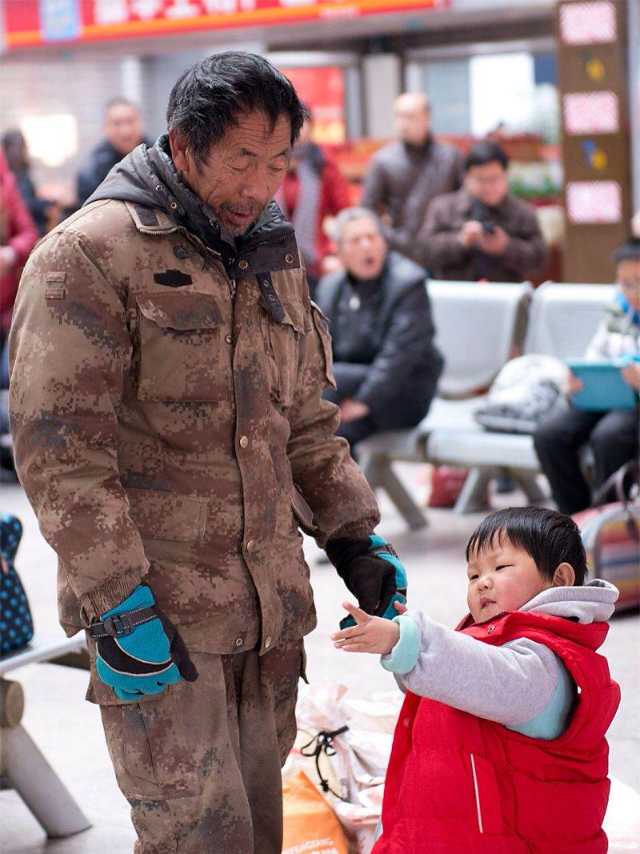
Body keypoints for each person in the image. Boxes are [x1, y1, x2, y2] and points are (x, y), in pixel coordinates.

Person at [9, 52, 410, 854]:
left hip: (268, 610)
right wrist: (116, 599)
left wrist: (353, 534)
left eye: (278, 163)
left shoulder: (268, 252)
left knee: (261, 831)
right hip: (157, 618)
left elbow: (303, 419)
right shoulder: (88, 256)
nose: (260, 185)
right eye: (241, 159)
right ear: (184, 146)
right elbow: (61, 452)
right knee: (195, 836)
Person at [332, 506, 620, 852]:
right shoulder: (488, 642)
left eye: (501, 567)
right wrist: (401, 646)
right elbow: (448, 685)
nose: (483, 581)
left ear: (559, 579)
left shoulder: (545, 663)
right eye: (473, 575)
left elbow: (486, 677)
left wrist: (407, 641)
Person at [315, 207, 443, 455]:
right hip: (349, 388)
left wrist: (364, 402)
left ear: (384, 243)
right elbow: (320, 352)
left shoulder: (408, 283)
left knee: (333, 385)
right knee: (322, 435)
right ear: (340, 252)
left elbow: (400, 357)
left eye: (372, 237)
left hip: (405, 390)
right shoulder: (331, 288)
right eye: (355, 240)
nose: (366, 246)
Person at [534, 238, 640, 515]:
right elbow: (596, 355)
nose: (630, 291)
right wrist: (577, 382)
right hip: (604, 397)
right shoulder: (619, 310)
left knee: (609, 436)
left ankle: (610, 520)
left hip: (634, 404)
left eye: (637, 282)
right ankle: (575, 518)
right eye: (624, 283)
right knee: (549, 435)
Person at [421, 139, 547, 282]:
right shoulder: (443, 208)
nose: (488, 187)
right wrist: (460, 241)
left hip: (505, 292)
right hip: (455, 292)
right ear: (466, 178)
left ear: (506, 176)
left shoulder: (522, 213)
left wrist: (506, 247)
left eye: (494, 179)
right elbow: (424, 252)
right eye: (480, 179)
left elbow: (539, 259)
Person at [360, 92, 463, 265]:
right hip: (400, 251)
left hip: (446, 250)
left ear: (427, 118)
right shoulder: (382, 160)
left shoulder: (451, 157)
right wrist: (389, 237)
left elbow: (465, 200)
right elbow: (367, 210)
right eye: (398, 116)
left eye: (410, 116)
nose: (403, 123)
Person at [275, 110, 350, 293]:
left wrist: (333, 252)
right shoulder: (267, 163)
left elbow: (346, 214)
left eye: (301, 124)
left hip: (314, 262)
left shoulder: (322, 163)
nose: (296, 130)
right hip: (271, 262)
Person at [75, 97, 148, 207]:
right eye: (117, 123)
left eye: (130, 121)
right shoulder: (90, 173)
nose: (126, 131)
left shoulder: (159, 155)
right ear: (105, 128)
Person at [1, 129, 60, 235]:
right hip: (31, 226)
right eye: (24, 146)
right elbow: (25, 203)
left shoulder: (20, 171)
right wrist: (47, 204)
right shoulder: (13, 175)